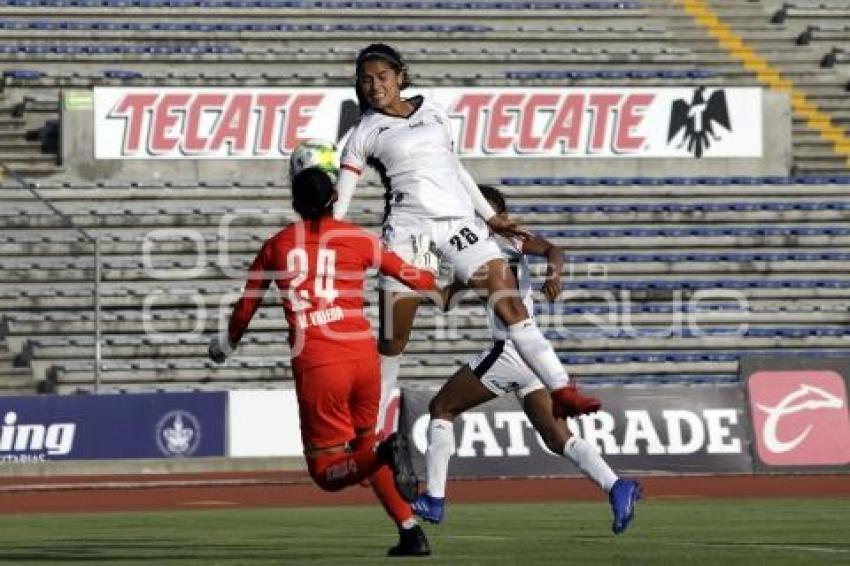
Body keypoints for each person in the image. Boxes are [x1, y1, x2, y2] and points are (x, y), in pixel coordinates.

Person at [332, 43, 600, 434]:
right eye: (366, 80)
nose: (375, 86)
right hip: (409, 234)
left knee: (511, 309)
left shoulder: (434, 111)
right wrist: (326, 233)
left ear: (401, 76)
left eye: (382, 77)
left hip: (459, 224)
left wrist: (492, 218)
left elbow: (455, 167)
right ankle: (369, 434)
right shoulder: (363, 134)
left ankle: (562, 389)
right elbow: (342, 200)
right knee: (393, 342)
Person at [209, 168, 439, 557]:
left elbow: (247, 307)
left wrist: (225, 346)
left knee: (326, 473)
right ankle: (410, 532)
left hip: (319, 363)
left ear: (295, 203)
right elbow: (415, 279)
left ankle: (386, 457)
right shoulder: (358, 239)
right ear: (334, 198)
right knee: (365, 454)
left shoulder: (277, 245)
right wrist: (435, 272)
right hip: (363, 360)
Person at [411, 186, 642, 535]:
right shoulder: (498, 247)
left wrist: (414, 275)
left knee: (442, 407)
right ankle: (615, 485)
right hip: (532, 353)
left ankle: (435, 498)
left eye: (480, 210)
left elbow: (443, 300)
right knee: (556, 437)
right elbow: (553, 250)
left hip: (510, 349)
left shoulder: (481, 251)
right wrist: (554, 273)